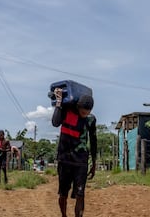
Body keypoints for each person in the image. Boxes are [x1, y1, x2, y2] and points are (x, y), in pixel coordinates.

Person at [52, 88, 97, 217]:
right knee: (63, 194)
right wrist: (59, 101)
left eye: (86, 112)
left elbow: (94, 141)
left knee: (80, 194)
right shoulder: (66, 111)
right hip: (64, 159)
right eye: (82, 112)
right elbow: (55, 122)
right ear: (77, 106)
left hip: (81, 161)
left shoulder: (91, 120)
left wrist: (94, 163)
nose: (84, 114)